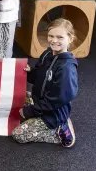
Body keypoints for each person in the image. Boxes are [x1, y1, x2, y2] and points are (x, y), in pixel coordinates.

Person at [12, 18, 78, 148]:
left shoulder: (67, 68)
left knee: (18, 134)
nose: (54, 40)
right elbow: (38, 74)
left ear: (70, 38)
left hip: (53, 113)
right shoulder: (47, 52)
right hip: (40, 101)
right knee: (17, 95)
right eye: (51, 36)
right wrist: (29, 72)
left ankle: (60, 131)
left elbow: (58, 99)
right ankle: (40, 118)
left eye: (60, 37)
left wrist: (30, 111)